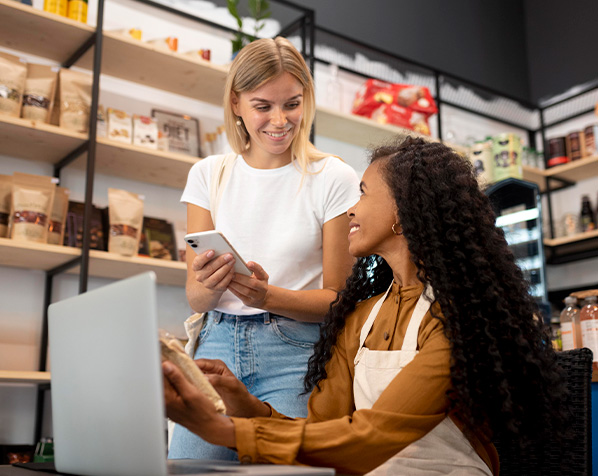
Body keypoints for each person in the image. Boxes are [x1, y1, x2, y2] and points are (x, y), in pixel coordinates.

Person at [163, 137, 569, 475]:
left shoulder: (455, 318)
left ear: (403, 211)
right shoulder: (360, 316)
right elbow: (324, 432)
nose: (351, 209)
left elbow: (373, 435)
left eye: (363, 192)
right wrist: (242, 404)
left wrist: (221, 430)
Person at [168, 36, 360, 460]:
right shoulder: (208, 175)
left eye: (292, 103)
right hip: (215, 346)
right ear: (236, 103)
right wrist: (213, 285)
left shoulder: (333, 177)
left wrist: (267, 296)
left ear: (306, 100)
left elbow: (339, 300)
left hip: (296, 352)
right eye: (263, 106)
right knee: (188, 470)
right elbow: (196, 297)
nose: (280, 120)